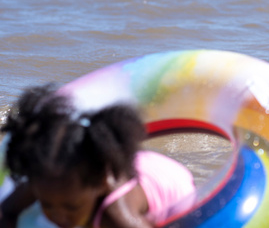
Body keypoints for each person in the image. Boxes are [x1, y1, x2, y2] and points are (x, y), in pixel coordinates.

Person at [0, 85, 195, 228]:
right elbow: (7, 211)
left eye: (71, 207)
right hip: (141, 163)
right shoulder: (50, 183)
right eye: (47, 205)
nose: (58, 217)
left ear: (102, 182)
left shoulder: (115, 215)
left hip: (173, 183)